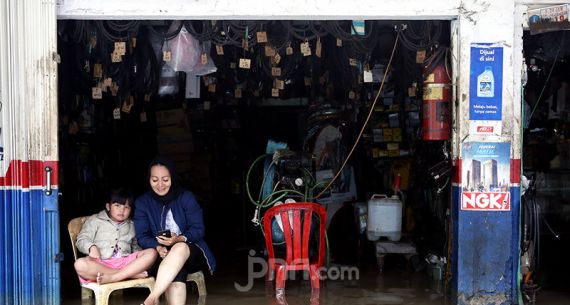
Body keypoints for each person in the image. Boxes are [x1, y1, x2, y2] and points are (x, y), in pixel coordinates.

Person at [134, 157, 216, 305]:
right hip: (160, 254)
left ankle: (151, 299)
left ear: (173, 177)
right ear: (149, 179)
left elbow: (198, 229)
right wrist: (157, 246)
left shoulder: (186, 197)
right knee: (177, 274)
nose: (160, 185)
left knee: (179, 248)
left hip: (190, 252)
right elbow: (141, 236)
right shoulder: (143, 202)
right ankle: (152, 299)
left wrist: (178, 239)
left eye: (165, 179)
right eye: (155, 180)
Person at [74, 188, 158, 284]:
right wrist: (91, 247)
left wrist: (139, 262)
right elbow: (81, 239)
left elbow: (135, 247)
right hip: (101, 263)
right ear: (108, 206)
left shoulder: (132, 224)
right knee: (80, 264)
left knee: (152, 253)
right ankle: (129, 275)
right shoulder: (95, 220)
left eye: (126, 207)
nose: (122, 210)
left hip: (125, 262)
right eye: (117, 205)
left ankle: (116, 276)